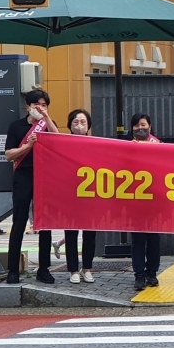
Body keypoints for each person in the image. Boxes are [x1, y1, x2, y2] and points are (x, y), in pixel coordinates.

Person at [4, 89, 59, 285]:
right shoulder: (16, 127)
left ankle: (44, 269)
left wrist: (46, 118)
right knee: (19, 222)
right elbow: (9, 155)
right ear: (28, 106)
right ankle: (13, 271)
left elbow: (59, 141)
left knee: (44, 224)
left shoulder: (47, 125)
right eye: (37, 104)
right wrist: (28, 146)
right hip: (23, 175)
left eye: (44, 105)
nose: (41, 108)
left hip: (44, 175)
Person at [61, 109, 99, 284]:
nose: (79, 125)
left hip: (90, 195)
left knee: (90, 234)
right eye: (75, 122)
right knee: (71, 234)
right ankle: (73, 270)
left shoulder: (96, 144)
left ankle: (87, 269)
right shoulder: (63, 142)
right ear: (69, 125)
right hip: (69, 194)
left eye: (83, 122)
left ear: (88, 126)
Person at [129, 113, 162, 291]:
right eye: (136, 126)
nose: (140, 128)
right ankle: (139, 275)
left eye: (143, 125)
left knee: (154, 240)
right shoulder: (126, 147)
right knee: (138, 240)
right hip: (135, 202)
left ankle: (152, 273)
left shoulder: (160, 145)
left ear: (150, 126)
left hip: (155, 201)